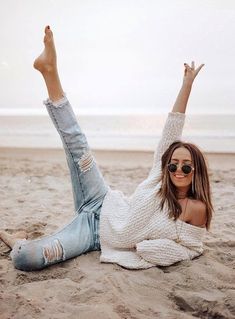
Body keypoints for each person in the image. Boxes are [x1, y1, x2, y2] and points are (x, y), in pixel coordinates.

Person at [0, 26, 213, 271]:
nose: (177, 169)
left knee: (27, 258)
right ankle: (49, 70)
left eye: (186, 166)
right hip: (102, 199)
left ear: (196, 171)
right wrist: (187, 85)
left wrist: (149, 247)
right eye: (173, 164)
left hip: (93, 235)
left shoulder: (197, 209)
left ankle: (17, 239)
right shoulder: (159, 177)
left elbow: (188, 249)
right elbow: (172, 128)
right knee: (77, 143)